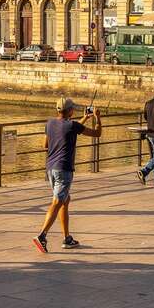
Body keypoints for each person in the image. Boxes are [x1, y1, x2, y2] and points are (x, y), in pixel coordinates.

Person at [32, 97, 102, 253]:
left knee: (65, 200)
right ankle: (42, 235)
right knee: (57, 201)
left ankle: (67, 238)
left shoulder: (50, 123)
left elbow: (45, 145)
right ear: (70, 110)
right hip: (64, 168)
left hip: (50, 168)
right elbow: (97, 133)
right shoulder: (72, 125)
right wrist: (97, 117)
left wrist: (84, 118)